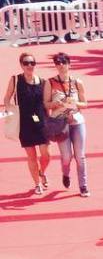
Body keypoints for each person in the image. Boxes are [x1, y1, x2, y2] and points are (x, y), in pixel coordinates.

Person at [4, 52, 52, 195]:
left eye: (32, 63)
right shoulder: (15, 80)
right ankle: (37, 183)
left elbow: (46, 103)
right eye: (26, 63)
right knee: (32, 156)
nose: (29, 65)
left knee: (46, 154)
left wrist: (51, 120)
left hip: (41, 122)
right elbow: (7, 98)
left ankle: (41, 172)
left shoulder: (43, 82)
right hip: (24, 124)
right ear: (21, 65)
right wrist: (9, 109)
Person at [43, 52, 88, 197]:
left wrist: (75, 103)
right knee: (67, 156)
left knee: (80, 155)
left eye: (63, 62)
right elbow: (46, 104)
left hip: (77, 121)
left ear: (69, 64)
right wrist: (54, 104)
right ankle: (66, 173)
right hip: (59, 122)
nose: (60, 65)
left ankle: (83, 185)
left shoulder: (77, 82)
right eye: (57, 62)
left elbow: (85, 103)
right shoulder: (50, 82)